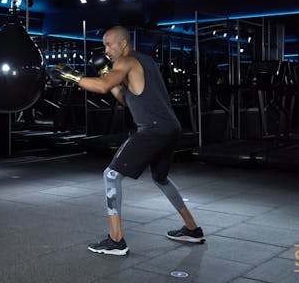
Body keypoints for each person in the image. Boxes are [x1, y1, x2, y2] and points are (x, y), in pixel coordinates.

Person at [52, 25, 204, 256]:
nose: (106, 50)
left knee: (111, 175)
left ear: (123, 43)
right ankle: (193, 229)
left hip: (152, 129)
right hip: (171, 128)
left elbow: (102, 88)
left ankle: (116, 241)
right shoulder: (144, 61)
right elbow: (125, 99)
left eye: (109, 44)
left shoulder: (125, 62)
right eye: (104, 45)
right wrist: (105, 74)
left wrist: (69, 75)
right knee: (161, 178)